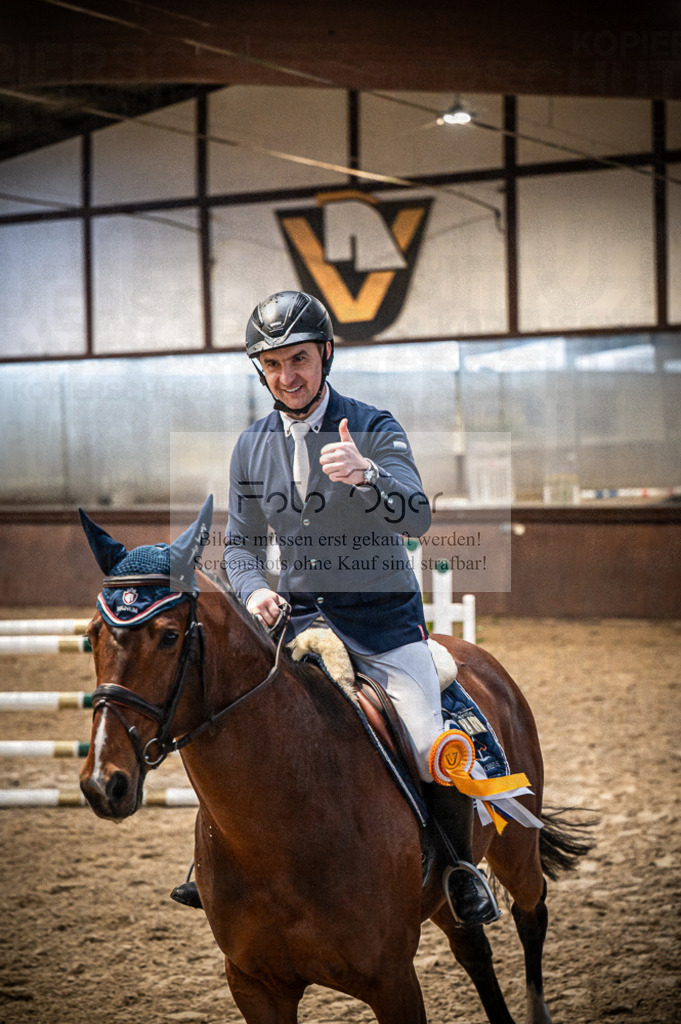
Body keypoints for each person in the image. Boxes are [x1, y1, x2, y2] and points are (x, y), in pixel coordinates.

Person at [172, 290, 496, 927]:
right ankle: (213, 863)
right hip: (295, 626)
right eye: (272, 364)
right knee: (237, 726)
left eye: (298, 360)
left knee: (431, 739)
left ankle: (460, 868)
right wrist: (254, 590)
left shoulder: (374, 425)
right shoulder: (250, 446)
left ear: (325, 354)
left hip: (380, 626)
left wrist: (368, 475)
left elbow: (419, 514)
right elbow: (239, 547)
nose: (287, 376)